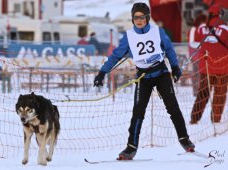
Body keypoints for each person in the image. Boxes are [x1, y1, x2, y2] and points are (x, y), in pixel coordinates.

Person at [93, 2, 195, 160]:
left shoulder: (157, 31)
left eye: (142, 17)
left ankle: (185, 140)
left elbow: (168, 49)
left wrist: (175, 67)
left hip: (161, 73)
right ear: (132, 19)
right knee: (138, 113)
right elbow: (115, 56)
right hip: (143, 78)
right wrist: (102, 72)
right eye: (135, 17)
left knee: (173, 108)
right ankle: (130, 148)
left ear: (147, 18)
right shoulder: (128, 36)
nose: (139, 20)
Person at [190, 4, 228, 124]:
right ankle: (215, 119)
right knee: (219, 95)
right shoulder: (226, 29)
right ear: (221, 14)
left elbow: (195, 44)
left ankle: (194, 118)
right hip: (223, 68)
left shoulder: (201, 28)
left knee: (202, 94)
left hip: (205, 67)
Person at [188, 13, 207, 96]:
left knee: (202, 74)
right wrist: (203, 45)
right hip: (195, 55)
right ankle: (196, 91)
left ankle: (202, 90)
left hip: (203, 55)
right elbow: (191, 43)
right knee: (196, 73)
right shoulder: (193, 29)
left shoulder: (205, 29)